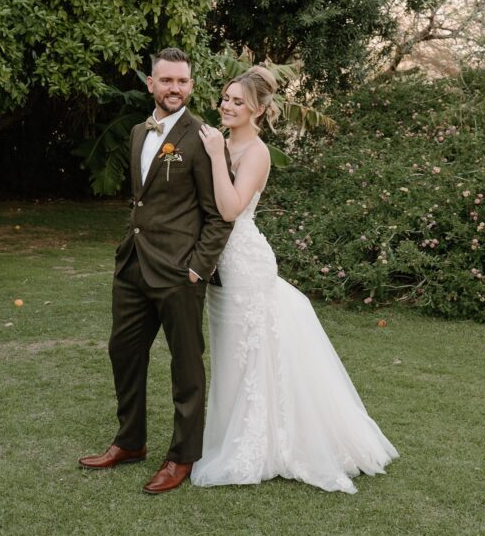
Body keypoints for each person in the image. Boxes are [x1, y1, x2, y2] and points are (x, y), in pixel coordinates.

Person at [191, 66, 399, 493]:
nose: (227, 106)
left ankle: (264, 442)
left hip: (245, 263)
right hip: (220, 266)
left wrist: (213, 156)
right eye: (225, 99)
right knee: (232, 355)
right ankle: (233, 432)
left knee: (253, 355)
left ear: (260, 110)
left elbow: (230, 210)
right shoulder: (221, 141)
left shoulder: (256, 153)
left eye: (237, 102)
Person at [78, 48, 234, 495]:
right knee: (123, 352)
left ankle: (182, 456)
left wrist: (198, 269)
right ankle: (130, 442)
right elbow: (141, 199)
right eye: (166, 81)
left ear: (191, 85)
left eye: (182, 82)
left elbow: (219, 214)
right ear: (151, 83)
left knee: (186, 368)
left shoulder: (203, 137)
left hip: (178, 272)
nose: (175, 89)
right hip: (133, 265)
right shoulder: (135, 132)